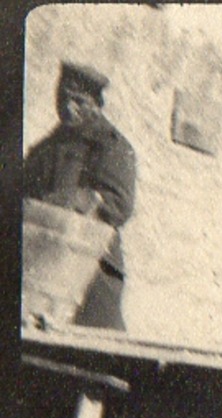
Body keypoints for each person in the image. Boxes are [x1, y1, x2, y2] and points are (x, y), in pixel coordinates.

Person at [23, 62, 137, 330]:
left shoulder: (110, 146)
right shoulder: (45, 149)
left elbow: (119, 204)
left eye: (78, 101)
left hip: (91, 267)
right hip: (42, 262)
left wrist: (72, 201)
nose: (68, 107)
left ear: (96, 104)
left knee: (93, 351)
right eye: (62, 98)